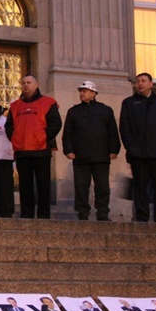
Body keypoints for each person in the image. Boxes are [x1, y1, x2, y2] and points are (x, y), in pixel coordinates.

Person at [119, 72, 156, 223]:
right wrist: (130, 147)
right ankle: (142, 216)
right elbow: (124, 127)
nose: (140, 84)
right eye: (138, 81)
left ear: (151, 83)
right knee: (140, 188)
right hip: (138, 153)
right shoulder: (129, 103)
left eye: (143, 81)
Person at [5, 74, 62, 219]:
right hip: (22, 150)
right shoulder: (15, 106)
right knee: (25, 185)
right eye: (23, 82)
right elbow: (9, 126)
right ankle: (27, 214)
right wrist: (15, 139)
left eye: (29, 82)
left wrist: (43, 136)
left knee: (43, 184)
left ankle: (43, 215)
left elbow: (56, 123)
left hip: (41, 150)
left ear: (36, 85)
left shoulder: (48, 102)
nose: (25, 85)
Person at [62, 81, 121, 221]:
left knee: (102, 186)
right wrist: (68, 150)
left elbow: (113, 131)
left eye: (85, 91)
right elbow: (67, 134)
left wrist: (114, 149)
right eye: (81, 91)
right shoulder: (74, 111)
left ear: (93, 93)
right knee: (81, 186)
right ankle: (82, 213)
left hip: (101, 155)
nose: (82, 93)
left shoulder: (105, 110)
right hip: (80, 156)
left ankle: (102, 212)